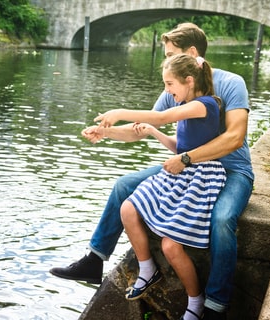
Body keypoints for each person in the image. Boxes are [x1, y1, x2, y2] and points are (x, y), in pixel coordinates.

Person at [49, 23, 254, 320]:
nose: (166, 60)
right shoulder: (176, 88)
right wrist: (106, 133)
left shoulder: (230, 83)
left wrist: (186, 158)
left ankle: (215, 305)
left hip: (231, 169)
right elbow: (144, 128)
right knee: (124, 186)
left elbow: (234, 138)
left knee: (222, 219)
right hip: (189, 167)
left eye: (171, 54)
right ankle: (95, 260)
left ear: (191, 55)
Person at [96, 53, 226, 320]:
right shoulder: (189, 105)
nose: (167, 90)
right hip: (179, 170)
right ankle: (147, 270)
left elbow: (164, 116)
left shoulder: (205, 105)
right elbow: (181, 147)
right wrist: (152, 133)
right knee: (129, 208)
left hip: (200, 178)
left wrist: (119, 112)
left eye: (170, 84)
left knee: (170, 246)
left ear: (189, 80)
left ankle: (196, 301)